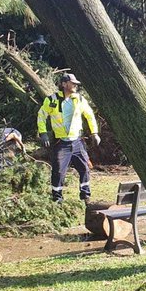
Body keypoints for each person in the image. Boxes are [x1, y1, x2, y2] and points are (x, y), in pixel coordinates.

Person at [36, 73, 100, 203]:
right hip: (61, 143)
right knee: (58, 171)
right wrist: (43, 133)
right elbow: (41, 115)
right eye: (73, 83)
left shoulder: (80, 99)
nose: (76, 85)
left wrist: (94, 133)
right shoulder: (52, 100)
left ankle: (86, 196)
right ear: (64, 84)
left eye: (76, 83)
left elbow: (90, 115)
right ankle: (57, 199)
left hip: (77, 141)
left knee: (85, 168)